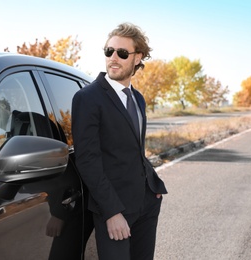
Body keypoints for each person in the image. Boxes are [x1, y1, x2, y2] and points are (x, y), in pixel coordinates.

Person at [72, 22, 168, 260]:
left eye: (122, 53)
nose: (113, 58)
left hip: (145, 204)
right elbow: (87, 160)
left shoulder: (138, 99)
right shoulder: (87, 98)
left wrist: (152, 185)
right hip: (114, 209)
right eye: (109, 51)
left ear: (138, 58)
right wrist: (111, 212)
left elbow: (135, 150)